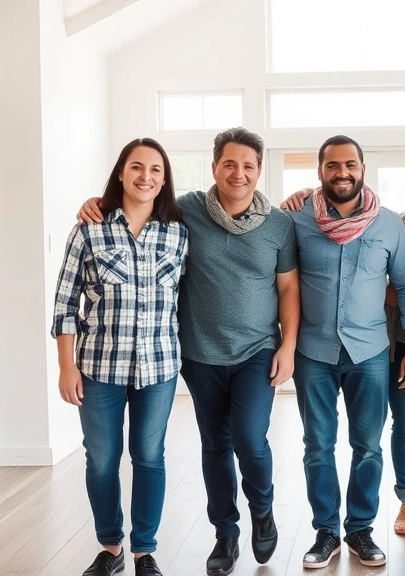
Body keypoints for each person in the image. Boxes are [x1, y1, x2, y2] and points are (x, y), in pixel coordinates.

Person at [77, 127, 299, 576]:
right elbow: (140, 203)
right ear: (214, 167)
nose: (238, 173)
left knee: (250, 438)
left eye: (248, 165)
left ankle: (262, 508)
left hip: (257, 350)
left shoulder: (280, 224)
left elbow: (289, 288)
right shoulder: (186, 212)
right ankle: (226, 534)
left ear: (259, 171)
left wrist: (289, 345)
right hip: (199, 352)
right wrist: (97, 203)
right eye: (229, 163)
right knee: (215, 444)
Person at [282, 162, 405, 536]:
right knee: (394, 427)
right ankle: (388, 506)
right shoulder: (384, 223)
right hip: (371, 342)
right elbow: (385, 281)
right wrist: (306, 194)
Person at [52, 138, 189, 576]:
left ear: (164, 180)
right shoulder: (88, 230)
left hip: (159, 366)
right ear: (120, 173)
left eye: (155, 169)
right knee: (102, 459)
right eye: (136, 167)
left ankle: (144, 552)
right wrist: (66, 366)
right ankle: (110, 548)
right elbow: (65, 304)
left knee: (149, 456)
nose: (145, 176)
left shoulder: (179, 233)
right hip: (98, 368)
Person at [286, 135, 405, 569]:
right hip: (313, 351)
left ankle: (360, 529)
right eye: (332, 165)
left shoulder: (388, 224)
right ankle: (326, 532)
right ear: (320, 171)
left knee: (368, 446)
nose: (341, 172)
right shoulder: (296, 220)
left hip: (370, 352)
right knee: (317, 445)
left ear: (362, 169)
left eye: (350, 164)